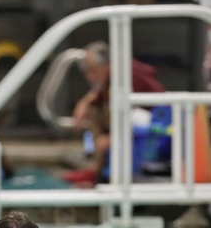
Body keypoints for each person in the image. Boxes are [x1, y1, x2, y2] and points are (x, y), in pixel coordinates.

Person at [61, 41, 166, 188]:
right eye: (86, 72)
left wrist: (113, 139)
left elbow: (133, 112)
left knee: (119, 113)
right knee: (95, 108)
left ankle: (95, 169)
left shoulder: (127, 74)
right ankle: (94, 168)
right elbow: (97, 98)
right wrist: (84, 103)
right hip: (138, 126)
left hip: (155, 130)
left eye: (92, 70)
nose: (90, 77)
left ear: (107, 64)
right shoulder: (110, 79)